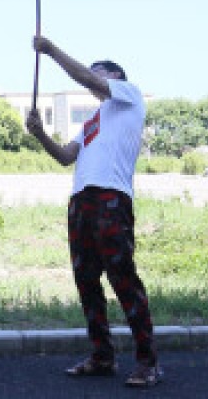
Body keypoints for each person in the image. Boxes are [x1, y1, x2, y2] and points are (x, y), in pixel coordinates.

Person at [25, 35, 162, 389]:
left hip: (111, 199)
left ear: (115, 75)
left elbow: (87, 79)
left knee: (123, 278)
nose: (89, 77)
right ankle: (102, 356)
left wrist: (51, 50)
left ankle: (148, 362)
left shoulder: (129, 95)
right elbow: (65, 157)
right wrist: (40, 135)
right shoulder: (92, 121)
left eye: (97, 72)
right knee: (86, 280)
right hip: (81, 201)